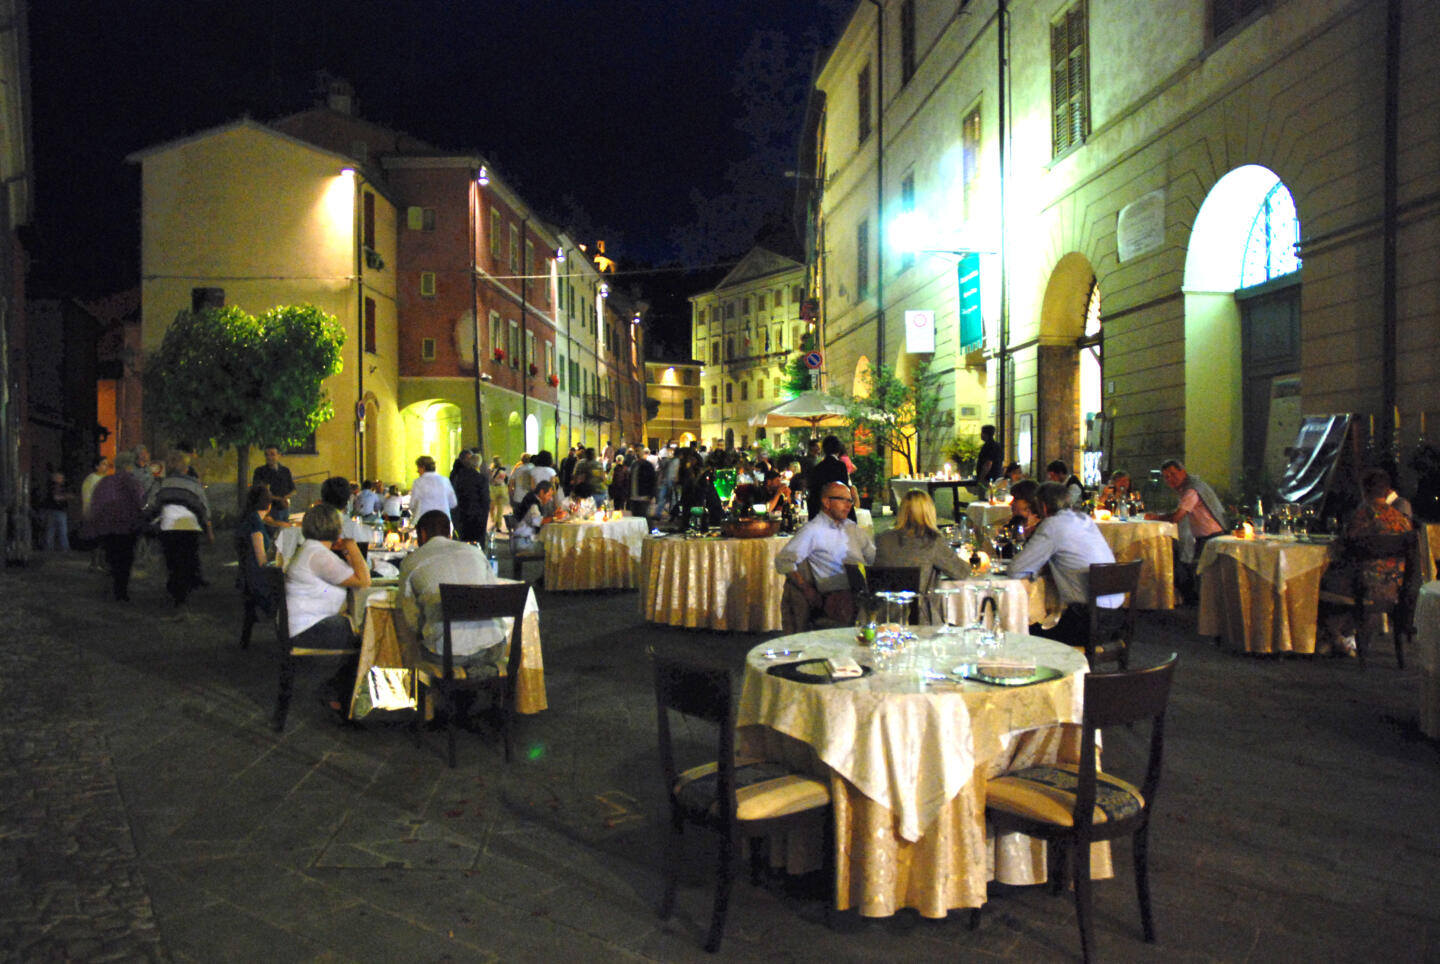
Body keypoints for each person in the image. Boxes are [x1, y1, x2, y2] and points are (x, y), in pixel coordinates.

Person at [1008, 481, 1120, 646]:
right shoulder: (1084, 519)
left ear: (1044, 507)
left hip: (1086, 623)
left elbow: (1015, 570)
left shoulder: (1052, 525)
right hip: (1116, 619)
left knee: (1019, 633)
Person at [398, 510, 510, 675]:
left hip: (446, 654)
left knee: (416, 644)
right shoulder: (475, 552)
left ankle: (435, 697)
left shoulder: (411, 563)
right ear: (449, 533)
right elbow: (491, 594)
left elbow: (412, 619)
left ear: (421, 533)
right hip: (492, 647)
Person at [1319, 468, 1414, 657]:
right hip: (1394, 588)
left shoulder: (1363, 515)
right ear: (1387, 491)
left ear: (1364, 490)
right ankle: (1338, 639)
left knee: (1318, 583)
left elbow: (1344, 548)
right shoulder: (1402, 520)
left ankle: (1334, 638)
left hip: (1363, 587)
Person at [284, 504, 368, 715]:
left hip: (298, 625)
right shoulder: (319, 555)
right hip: (307, 630)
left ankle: (337, 689)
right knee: (368, 636)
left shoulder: (312, 550)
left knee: (361, 630)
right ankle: (341, 694)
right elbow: (364, 580)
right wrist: (351, 545)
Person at [775, 481, 876, 631]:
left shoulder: (851, 527)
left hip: (862, 590)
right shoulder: (813, 530)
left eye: (850, 500)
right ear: (826, 502)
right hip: (837, 595)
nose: (848, 505)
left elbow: (874, 557)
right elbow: (783, 560)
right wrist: (806, 588)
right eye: (843, 500)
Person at [1151, 458, 1227, 604]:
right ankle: (1194, 601)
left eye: (1173, 474)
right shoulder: (1187, 487)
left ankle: (1194, 603)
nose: (1170, 479)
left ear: (1183, 472)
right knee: (1190, 566)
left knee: (1188, 566)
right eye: (1166, 477)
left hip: (1211, 537)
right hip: (1203, 537)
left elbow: (1177, 517)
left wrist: (1155, 517)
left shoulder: (1192, 490)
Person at [874, 490, 971, 599]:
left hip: (884, 611)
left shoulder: (882, 539)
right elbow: (961, 572)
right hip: (919, 612)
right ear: (929, 512)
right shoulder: (931, 541)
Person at [147, 450, 214, 607]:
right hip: (190, 527)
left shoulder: (162, 484)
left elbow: (153, 504)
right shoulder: (193, 484)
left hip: (168, 527)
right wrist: (208, 529)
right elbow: (203, 508)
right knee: (187, 559)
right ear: (185, 467)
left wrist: (150, 521)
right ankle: (184, 594)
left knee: (172, 561)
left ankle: (176, 593)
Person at [86, 451, 148, 601]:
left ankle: (110, 588)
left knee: (112, 557)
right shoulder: (132, 482)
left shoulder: (105, 482)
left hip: (107, 526)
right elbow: (141, 502)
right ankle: (121, 592)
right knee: (125, 559)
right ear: (129, 465)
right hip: (127, 526)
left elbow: (96, 503)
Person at [807, 435, 856, 521]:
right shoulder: (840, 466)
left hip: (821, 510)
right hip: (837, 509)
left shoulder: (818, 467)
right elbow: (844, 489)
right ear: (838, 449)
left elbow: (814, 492)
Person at [450, 449, 491, 544]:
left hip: (462, 514)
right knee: (477, 541)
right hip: (477, 515)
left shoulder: (459, 477)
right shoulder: (481, 478)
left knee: (464, 541)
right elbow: (485, 500)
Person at [512, 480, 561, 551]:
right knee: (554, 548)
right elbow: (537, 521)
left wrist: (554, 515)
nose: (550, 499)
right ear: (541, 492)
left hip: (524, 539)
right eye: (549, 495)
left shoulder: (531, 497)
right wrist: (556, 517)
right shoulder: (533, 503)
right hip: (524, 541)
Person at [252, 445, 296, 521]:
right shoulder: (260, 471)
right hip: (269, 511)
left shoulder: (285, 471)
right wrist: (279, 499)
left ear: (278, 455)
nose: (269, 457)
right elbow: (259, 492)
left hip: (284, 509)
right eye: (266, 455)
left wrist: (286, 498)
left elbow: (293, 489)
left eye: (272, 454)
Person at [409, 455, 458, 522]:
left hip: (425, 520)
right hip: (444, 520)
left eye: (418, 468)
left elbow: (412, 505)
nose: (417, 471)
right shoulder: (445, 480)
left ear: (423, 467)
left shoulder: (418, 482)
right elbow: (453, 503)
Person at [626, 445, 658, 519]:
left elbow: (652, 480)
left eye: (639, 451)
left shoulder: (647, 465)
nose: (637, 453)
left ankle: (651, 530)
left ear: (643, 452)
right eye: (636, 451)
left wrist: (652, 495)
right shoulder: (634, 465)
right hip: (634, 497)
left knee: (645, 518)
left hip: (643, 496)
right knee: (636, 518)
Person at [975, 424, 1004, 489]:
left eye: (982, 432)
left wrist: (981, 478)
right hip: (997, 477)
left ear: (985, 434)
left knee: (986, 496)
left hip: (988, 479)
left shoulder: (988, 446)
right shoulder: (998, 446)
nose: (981, 435)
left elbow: (988, 464)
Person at [488, 457, 510, 533]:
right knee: (500, 508)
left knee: (492, 507)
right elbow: (505, 479)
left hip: (493, 488)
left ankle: (494, 520)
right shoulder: (503, 470)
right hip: (501, 488)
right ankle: (498, 524)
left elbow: (489, 480)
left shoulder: (490, 471)